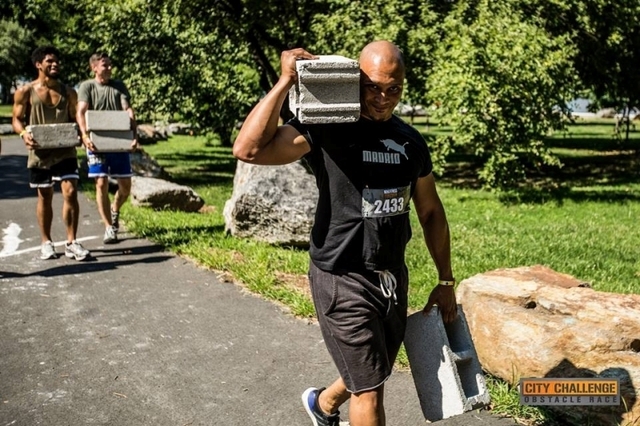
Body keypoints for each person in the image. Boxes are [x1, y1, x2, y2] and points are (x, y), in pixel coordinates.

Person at [233, 41, 457, 426]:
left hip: (390, 277)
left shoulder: (410, 142)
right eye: (372, 87)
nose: (382, 98)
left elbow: (431, 211)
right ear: (355, 81)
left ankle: (321, 405)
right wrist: (285, 80)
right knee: (370, 391)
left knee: (376, 371)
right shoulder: (328, 129)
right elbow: (248, 149)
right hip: (341, 276)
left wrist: (445, 278)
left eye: (393, 89)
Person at [12, 46, 90, 261]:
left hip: (65, 151)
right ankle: (46, 242)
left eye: (57, 61)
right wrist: (23, 134)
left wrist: (84, 136)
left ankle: (72, 242)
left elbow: (77, 118)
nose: (55, 64)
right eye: (49, 61)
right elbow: (17, 119)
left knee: (71, 192)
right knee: (45, 196)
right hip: (40, 153)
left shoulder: (68, 92)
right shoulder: (25, 91)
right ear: (39, 64)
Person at [76, 52, 139, 244]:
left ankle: (115, 209)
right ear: (94, 67)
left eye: (110, 65)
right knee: (101, 182)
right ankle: (108, 227)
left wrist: (134, 136)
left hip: (118, 142)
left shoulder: (119, 86)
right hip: (96, 143)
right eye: (105, 65)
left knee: (125, 187)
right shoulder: (87, 87)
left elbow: (127, 111)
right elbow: (81, 111)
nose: (109, 68)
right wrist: (85, 136)